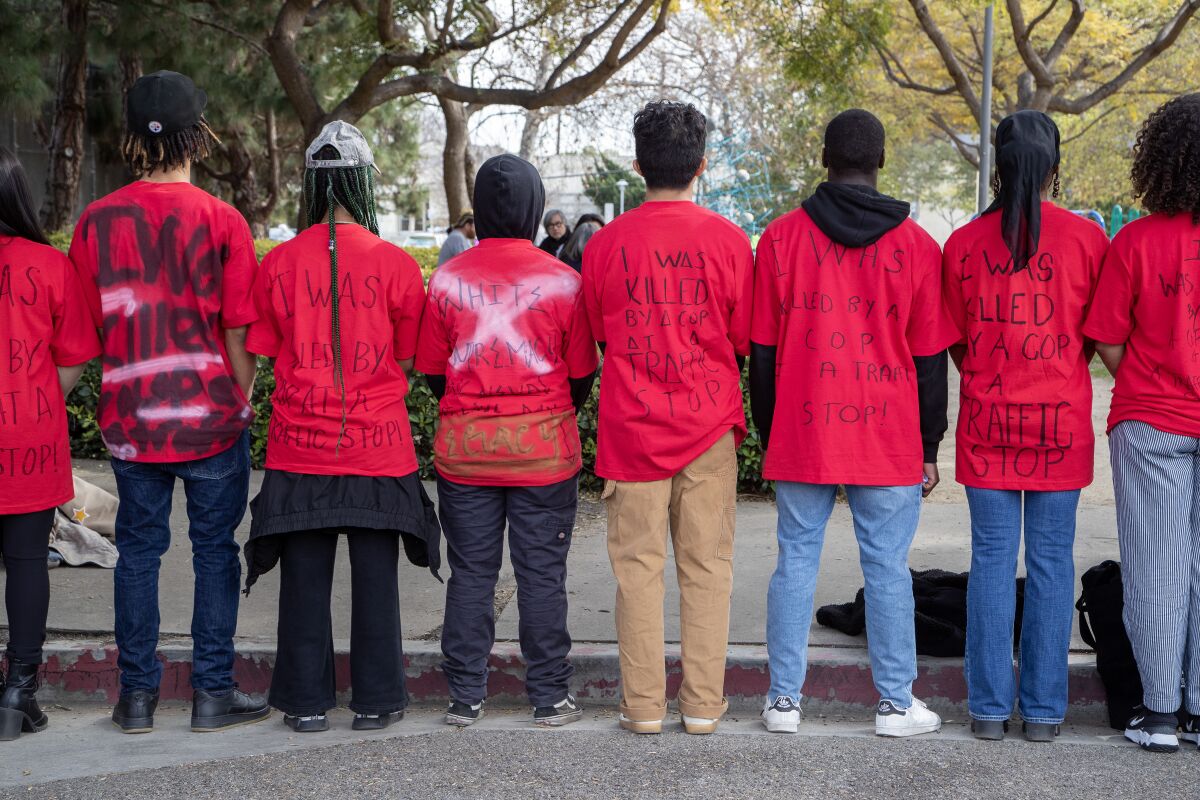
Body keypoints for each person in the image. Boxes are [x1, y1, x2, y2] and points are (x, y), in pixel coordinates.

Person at [68, 71, 268, 734]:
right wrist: (242, 399)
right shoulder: (224, 221)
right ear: (197, 136)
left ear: (132, 136)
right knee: (215, 550)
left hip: (132, 420)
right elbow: (241, 333)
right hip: (211, 419)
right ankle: (212, 694)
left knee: (139, 551)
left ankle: (136, 700)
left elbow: (81, 337)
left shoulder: (95, 222)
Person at [751, 109, 957, 737]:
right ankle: (895, 704)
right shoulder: (919, 247)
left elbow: (761, 353)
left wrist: (770, 435)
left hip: (805, 431)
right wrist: (930, 444)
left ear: (825, 160)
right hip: (888, 435)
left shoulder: (782, 240)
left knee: (794, 563)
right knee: (888, 569)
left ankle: (783, 702)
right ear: (882, 161)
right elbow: (929, 360)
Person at [242, 121, 442, 733]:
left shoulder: (275, 262)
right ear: (363, 183)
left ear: (310, 184)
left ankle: (304, 704)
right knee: (376, 582)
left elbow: (265, 350)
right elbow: (408, 361)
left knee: (304, 583)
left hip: (299, 447)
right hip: (378, 448)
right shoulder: (398, 265)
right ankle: (377, 701)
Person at [582, 101, 752, 736]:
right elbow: (741, 340)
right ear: (701, 166)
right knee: (707, 570)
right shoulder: (731, 242)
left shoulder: (603, 246)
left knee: (637, 572)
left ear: (637, 164)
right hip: (708, 429)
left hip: (632, 429)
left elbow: (599, 337)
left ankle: (643, 708)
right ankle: (704, 707)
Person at [942, 111, 1108, 743]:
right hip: (1060, 422)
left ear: (998, 165)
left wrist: (987, 371)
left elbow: (955, 341)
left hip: (987, 417)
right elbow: (1095, 337)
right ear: (1054, 168)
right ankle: (1042, 713)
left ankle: (986, 710)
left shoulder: (962, 243)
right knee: (1051, 563)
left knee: (989, 560)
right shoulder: (1089, 241)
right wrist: (1061, 368)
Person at [416, 154, 598, 728]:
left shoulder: (446, 279)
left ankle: (465, 697)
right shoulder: (565, 281)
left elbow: (431, 371)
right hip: (543, 452)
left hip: (466, 453)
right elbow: (581, 376)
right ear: (536, 207)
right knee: (542, 573)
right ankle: (549, 697)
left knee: (471, 572)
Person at [1083, 93, 1200, 754]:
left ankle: (1158, 714)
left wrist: (1147, 373)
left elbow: (1105, 337)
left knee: (1155, 567)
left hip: (1151, 420)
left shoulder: (1136, 241)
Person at [0, 147, 101, 741]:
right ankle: (20, 692)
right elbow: (74, 360)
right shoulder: (50, 265)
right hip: (29, 436)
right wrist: (36, 401)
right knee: (28, 562)